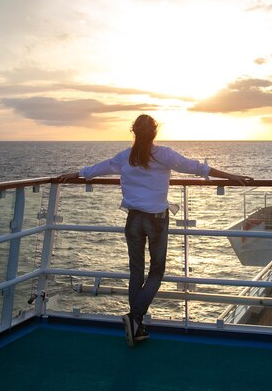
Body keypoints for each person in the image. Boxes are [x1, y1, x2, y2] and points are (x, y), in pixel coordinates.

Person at [58, 114, 253, 347]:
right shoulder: (164, 154)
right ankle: (135, 317)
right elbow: (196, 167)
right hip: (157, 220)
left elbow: (96, 169)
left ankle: (136, 326)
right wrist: (230, 176)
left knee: (136, 271)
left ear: (134, 132)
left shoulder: (124, 157)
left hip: (133, 220)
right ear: (155, 132)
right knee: (157, 271)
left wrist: (77, 173)